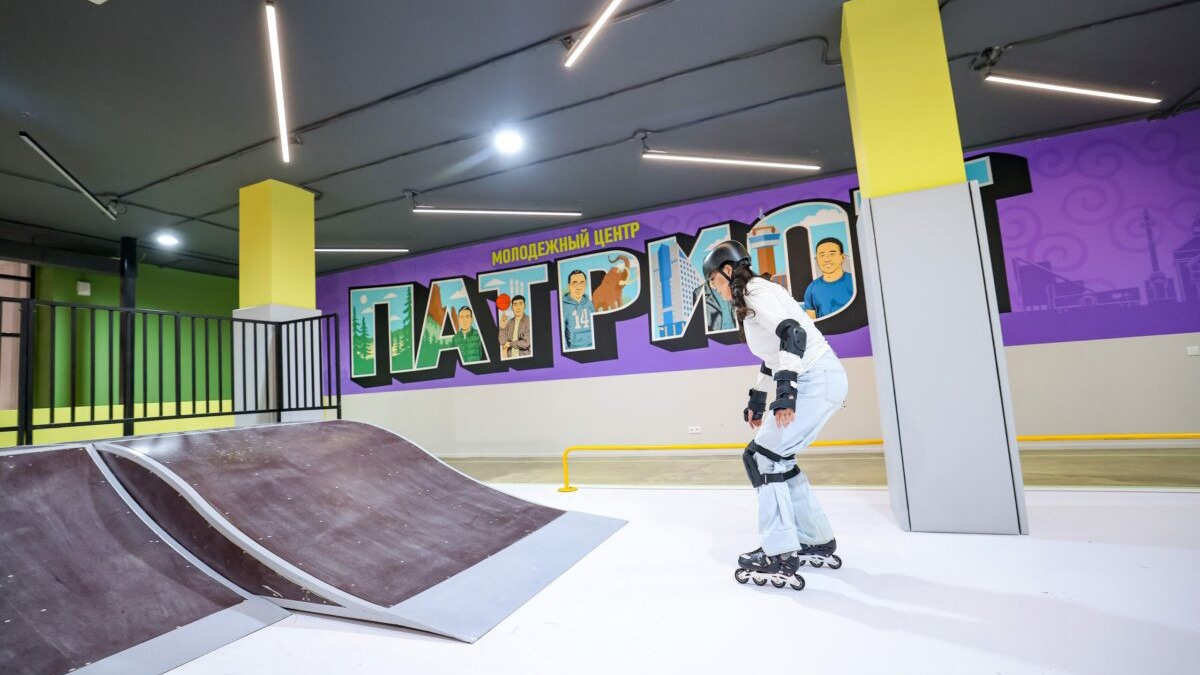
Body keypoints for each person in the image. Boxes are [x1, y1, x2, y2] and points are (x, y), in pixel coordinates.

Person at [702, 240, 848, 588]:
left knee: (763, 458)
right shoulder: (755, 294)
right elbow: (774, 354)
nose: (716, 289)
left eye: (715, 281)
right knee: (776, 458)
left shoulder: (754, 292)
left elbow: (793, 335)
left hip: (814, 379)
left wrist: (786, 395)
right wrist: (758, 399)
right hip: (818, 378)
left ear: (727, 271)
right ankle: (814, 539)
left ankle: (779, 553)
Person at [802, 237, 854, 319]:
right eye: (822, 255)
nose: (826, 259)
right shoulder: (812, 288)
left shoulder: (854, 282)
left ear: (842, 257)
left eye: (832, 254)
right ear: (817, 259)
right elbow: (812, 321)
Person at [563, 270, 594, 349]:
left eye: (582, 283)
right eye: (574, 283)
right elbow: (561, 334)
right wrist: (568, 351)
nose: (578, 287)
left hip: (592, 347)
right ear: (569, 286)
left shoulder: (590, 303)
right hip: (574, 350)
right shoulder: (564, 306)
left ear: (585, 285)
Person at [500, 295, 531, 359]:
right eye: (515, 304)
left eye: (520, 304)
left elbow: (526, 343)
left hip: (525, 358)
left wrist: (510, 344)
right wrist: (502, 327)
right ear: (512, 307)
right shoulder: (509, 322)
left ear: (525, 306)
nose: (518, 307)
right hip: (510, 358)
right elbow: (502, 342)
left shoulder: (529, 321)